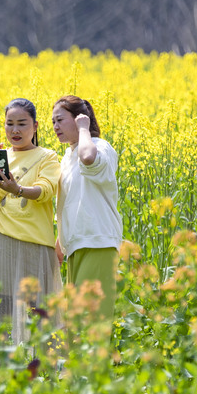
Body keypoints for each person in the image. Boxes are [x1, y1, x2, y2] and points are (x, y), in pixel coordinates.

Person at [0, 98, 62, 341]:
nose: (15, 130)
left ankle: (40, 362)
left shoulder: (47, 156)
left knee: (39, 311)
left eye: (22, 124)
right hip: (0, 243)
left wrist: (17, 189)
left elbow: (46, 190)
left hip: (36, 244)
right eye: (9, 124)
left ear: (35, 126)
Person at [52, 95, 123, 320]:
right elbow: (71, 202)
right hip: (77, 245)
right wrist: (60, 244)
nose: (55, 126)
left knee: (92, 321)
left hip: (97, 242)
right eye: (53, 122)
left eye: (60, 120)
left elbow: (88, 158)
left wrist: (85, 128)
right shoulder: (67, 156)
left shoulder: (100, 147)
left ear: (80, 118)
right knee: (76, 322)